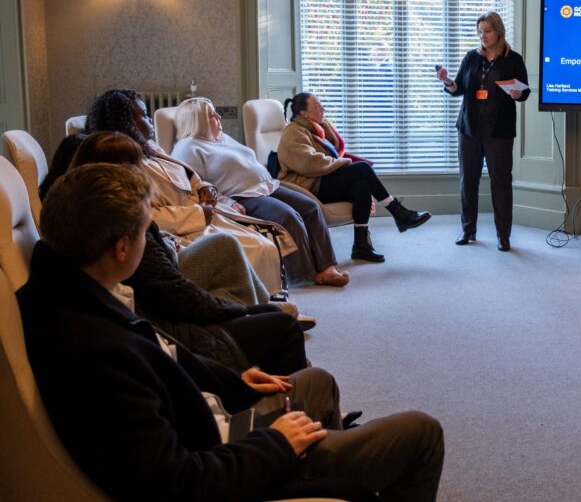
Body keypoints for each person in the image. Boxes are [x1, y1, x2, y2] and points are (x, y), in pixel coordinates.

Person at [20, 162, 446, 501]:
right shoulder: (93, 351)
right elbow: (179, 483)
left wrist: (233, 380)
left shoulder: (75, 290)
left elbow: (165, 353)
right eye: (146, 233)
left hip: (211, 422)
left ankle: (331, 466)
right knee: (422, 434)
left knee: (318, 381)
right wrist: (279, 445)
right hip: (227, 461)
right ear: (121, 247)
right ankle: (319, 475)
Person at [69, 130, 309, 374]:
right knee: (283, 327)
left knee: (231, 254)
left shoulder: (103, 228)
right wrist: (235, 311)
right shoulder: (124, 227)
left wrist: (165, 235)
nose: (143, 170)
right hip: (185, 328)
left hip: (174, 302)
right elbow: (174, 296)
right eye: (137, 166)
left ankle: (263, 306)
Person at [88, 88, 285, 294]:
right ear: (127, 122)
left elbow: (185, 172)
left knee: (265, 242)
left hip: (199, 211)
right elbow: (144, 217)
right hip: (182, 227)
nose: (149, 121)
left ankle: (267, 300)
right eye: (144, 116)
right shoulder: (123, 160)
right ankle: (251, 303)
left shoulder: (150, 147)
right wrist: (198, 213)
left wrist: (203, 186)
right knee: (257, 248)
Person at [172, 97, 350, 288]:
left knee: (311, 207)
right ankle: (304, 273)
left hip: (266, 186)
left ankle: (326, 268)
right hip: (241, 196)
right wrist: (228, 203)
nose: (218, 116)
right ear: (196, 120)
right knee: (287, 217)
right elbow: (197, 187)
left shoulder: (221, 138)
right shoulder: (188, 147)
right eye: (211, 114)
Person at [277, 92, 431, 263]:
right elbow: (308, 162)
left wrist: (326, 128)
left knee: (362, 186)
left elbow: (335, 148)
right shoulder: (293, 132)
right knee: (361, 169)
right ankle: (398, 213)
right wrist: (344, 163)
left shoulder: (315, 129)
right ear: (304, 114)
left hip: (321, 181)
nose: (323, 109)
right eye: (317, 106)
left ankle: (361, 246)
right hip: (308, 188)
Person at [435, 11, 530, 252]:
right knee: (468, 181)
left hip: (499, 131)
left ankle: (503, 236)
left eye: (487, 31)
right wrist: (447, 81)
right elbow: (458, 89)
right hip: (469, 129)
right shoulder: (471, 57)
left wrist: (519, 93)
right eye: (480, 32)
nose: (483, 36)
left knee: (500, 182)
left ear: (498, 31)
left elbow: (524, 91)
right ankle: (468, 230)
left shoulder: (513, 60)